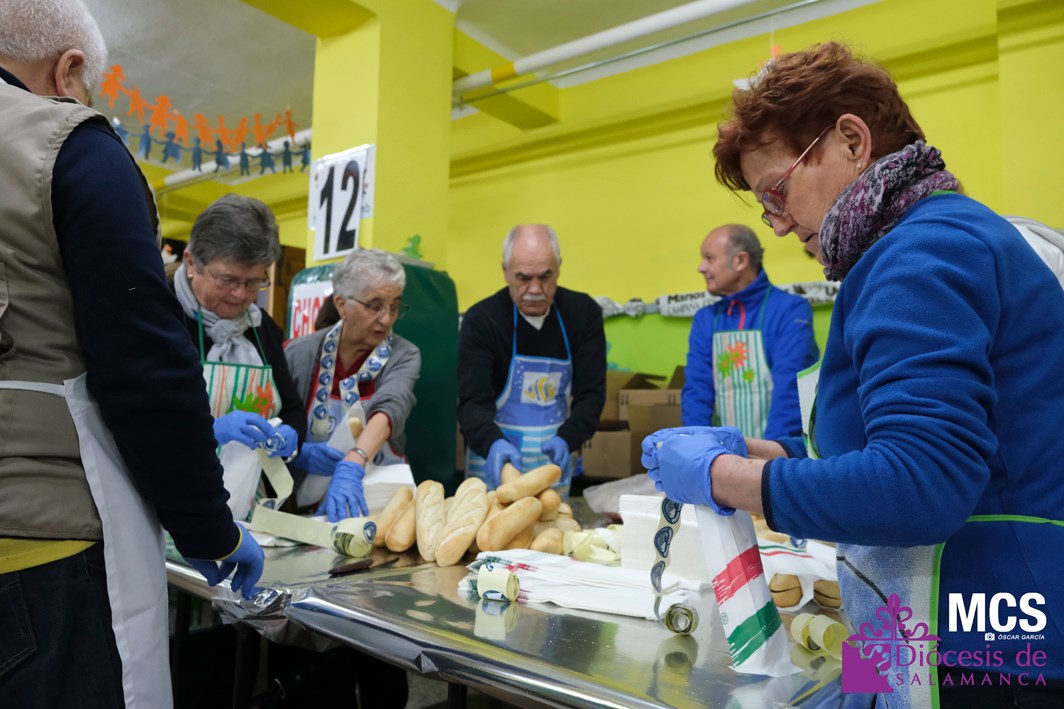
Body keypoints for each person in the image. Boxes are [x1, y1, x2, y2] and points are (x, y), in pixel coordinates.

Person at [642, 43, 1064, 708]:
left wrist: (725, 478)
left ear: (851, 140)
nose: (778, 225)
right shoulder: (939, 238)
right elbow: (905, 443)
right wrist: (766, 452)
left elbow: (920, 483)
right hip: (913, 624)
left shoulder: (920, 255)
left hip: (986, 649)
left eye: (776, 192)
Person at [0, 2, 262, 707]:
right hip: (35, 553)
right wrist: (210, 528)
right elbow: (144, 369)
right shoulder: (68, 145)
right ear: (69, 71)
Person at [174, 195, 306, 509]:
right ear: (192, 263)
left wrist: (290, 434)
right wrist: (209, 432)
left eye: (254, 282)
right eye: (227, 279)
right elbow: (138, 418)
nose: (240, 294)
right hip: (172, 502)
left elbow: (291, 407)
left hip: (251, 505)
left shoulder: (263, 329)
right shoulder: (159, 319)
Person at [458, 224, 606, 496]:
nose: (535, 289)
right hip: (494, 461)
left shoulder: (583, 314)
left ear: (559, 268)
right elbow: (472, 401)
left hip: (551, 465)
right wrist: (492, 443)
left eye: (545, 276)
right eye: (523, 278)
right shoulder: (482, 320)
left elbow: (592, 394)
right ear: (505, 271)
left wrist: (568, 438)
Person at [285, 248, 421, 522]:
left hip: (380, 502)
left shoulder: (404, 354)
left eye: (394, 306)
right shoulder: (298, 353)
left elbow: (391, 406)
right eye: (374, 306)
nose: (386, 319)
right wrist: (298, 453)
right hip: (302, 504)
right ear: (341, 305)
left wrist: (354, 462)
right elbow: (280, 418)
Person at [681, 223, 818, 438]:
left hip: (779, 451)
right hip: (720, 452)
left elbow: (791, 390)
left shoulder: (790, 311)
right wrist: (698, 446)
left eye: (709, 258)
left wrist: (773, 453)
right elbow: (696, 391)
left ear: (740, 261)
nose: (701, 267)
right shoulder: (705, 319)